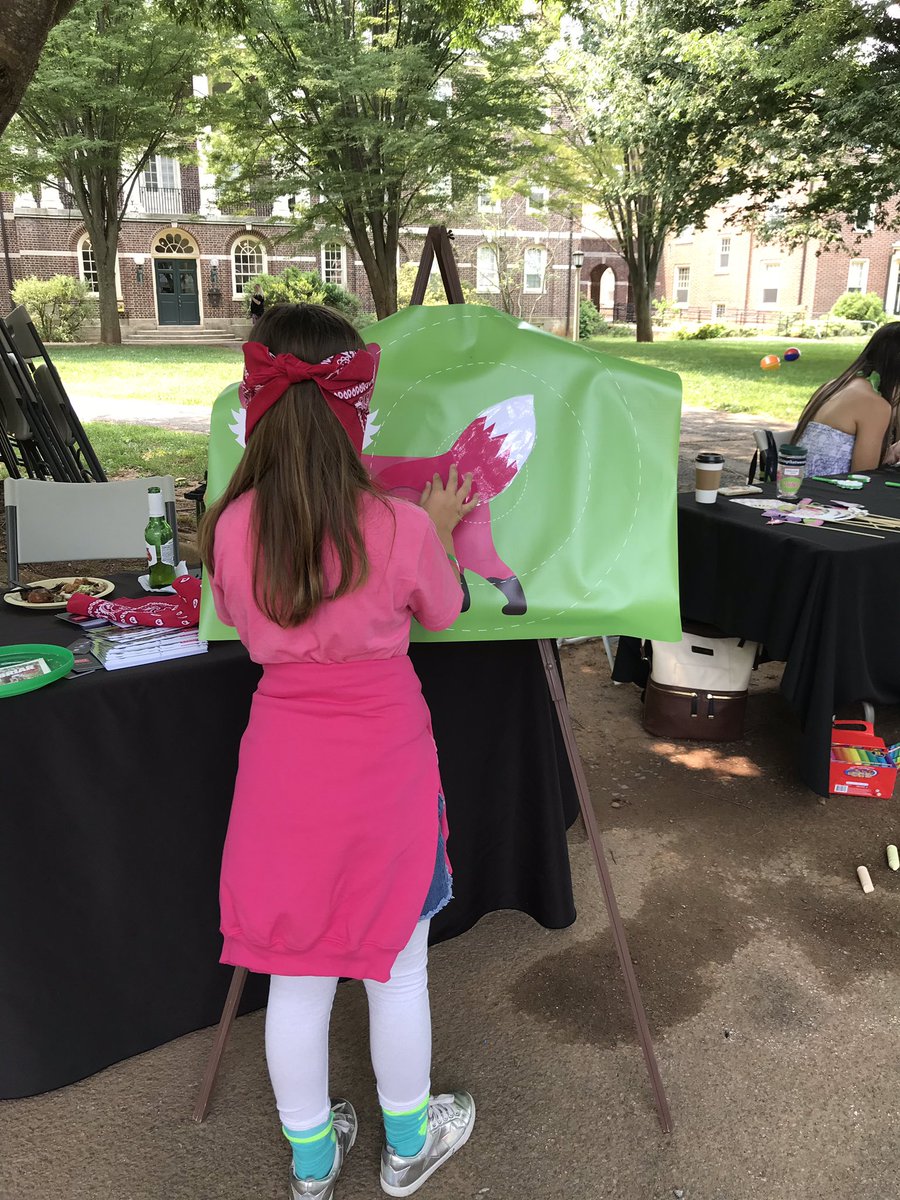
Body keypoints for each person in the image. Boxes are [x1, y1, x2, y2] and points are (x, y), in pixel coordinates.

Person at [199, 303, 478, 1200]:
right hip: (385, 769)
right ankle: (407, 1147)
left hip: (282, 769)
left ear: (260, 404)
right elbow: (447, 610)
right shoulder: (395, 526)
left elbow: (246, 626)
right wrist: (436, 527)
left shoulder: (232, 527)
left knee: (297, 971)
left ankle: (313, 1167)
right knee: (399, 969)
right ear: (354, 407)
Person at [792, 323, 900, 475]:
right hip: (827, 495)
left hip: (798, 486)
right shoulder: (874, 405)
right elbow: (864, 476)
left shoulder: (834, 386)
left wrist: (892, 453)